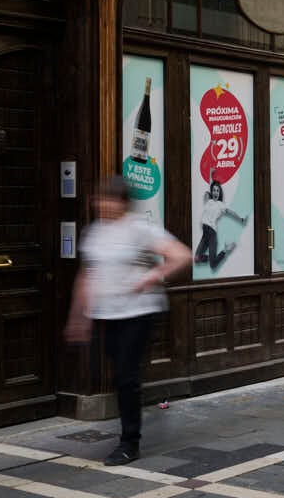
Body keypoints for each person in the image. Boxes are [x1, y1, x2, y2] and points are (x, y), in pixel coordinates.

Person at [65, 177, 192, 466]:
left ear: (123, 203)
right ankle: (129, 427)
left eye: (110, 201)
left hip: (138, 311)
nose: (103, 206)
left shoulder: (139, 229)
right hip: (106, 313)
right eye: (99, 200)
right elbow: (87, 274)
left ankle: (129, 442)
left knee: (126, 375)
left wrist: (152, 277)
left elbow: (181, 256)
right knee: (120, 374)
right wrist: (78, 316)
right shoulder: (94, 231)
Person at [195, 172, 248, 273]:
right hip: (205, 234)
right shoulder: (208, 201)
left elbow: (231, 212)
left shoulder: (221, 205)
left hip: (211, 234)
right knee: (197, 259)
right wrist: (210, 173)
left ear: (219, 193)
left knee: (213, 265)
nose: (215, 192)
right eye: (214, 190)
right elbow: (210, 184)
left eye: (217, 191)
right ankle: (211, 257)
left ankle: (225, 250)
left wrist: (241, 219)